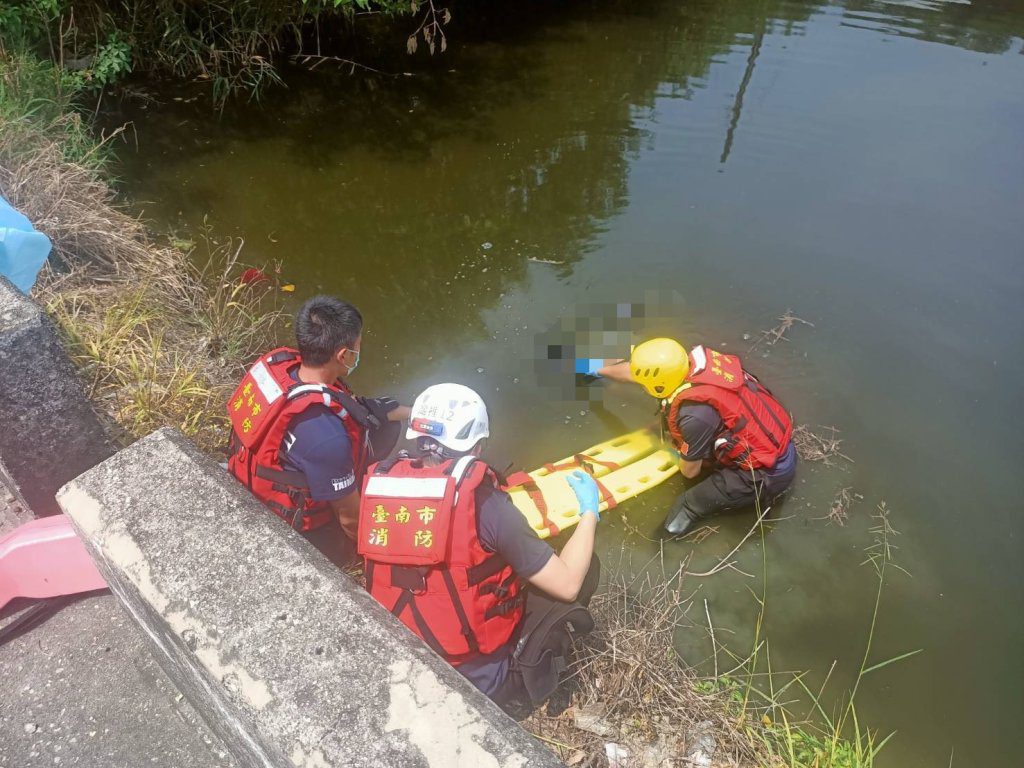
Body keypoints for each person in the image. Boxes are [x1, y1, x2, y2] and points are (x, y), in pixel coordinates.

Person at [356, 383, 601, 713]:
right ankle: (525, 680)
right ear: (478, 445)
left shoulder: (382, 485)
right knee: (583, 569)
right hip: (473, 677)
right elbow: (568, 585)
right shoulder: (486, 504)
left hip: (399, 649)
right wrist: (589, 513)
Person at [227, 295, 410, 566]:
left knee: (386, 425)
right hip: (291, 527)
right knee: (348, 541)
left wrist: (413, 414)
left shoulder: (282, 369)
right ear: (344, 355)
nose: (358, 353)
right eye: (358, 347)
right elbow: (351, 520)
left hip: (251, 477)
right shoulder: (328, 438)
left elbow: (353, 406)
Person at [597, 338, 796, 536]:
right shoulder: (683, 366)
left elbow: (690, 472)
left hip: (766, 473)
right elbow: (633, 373)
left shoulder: (695, 417)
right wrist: (595, 368)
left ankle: (661, 543)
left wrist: (680, 449)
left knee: (688, 503)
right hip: (774, 440)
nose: (642, 386)